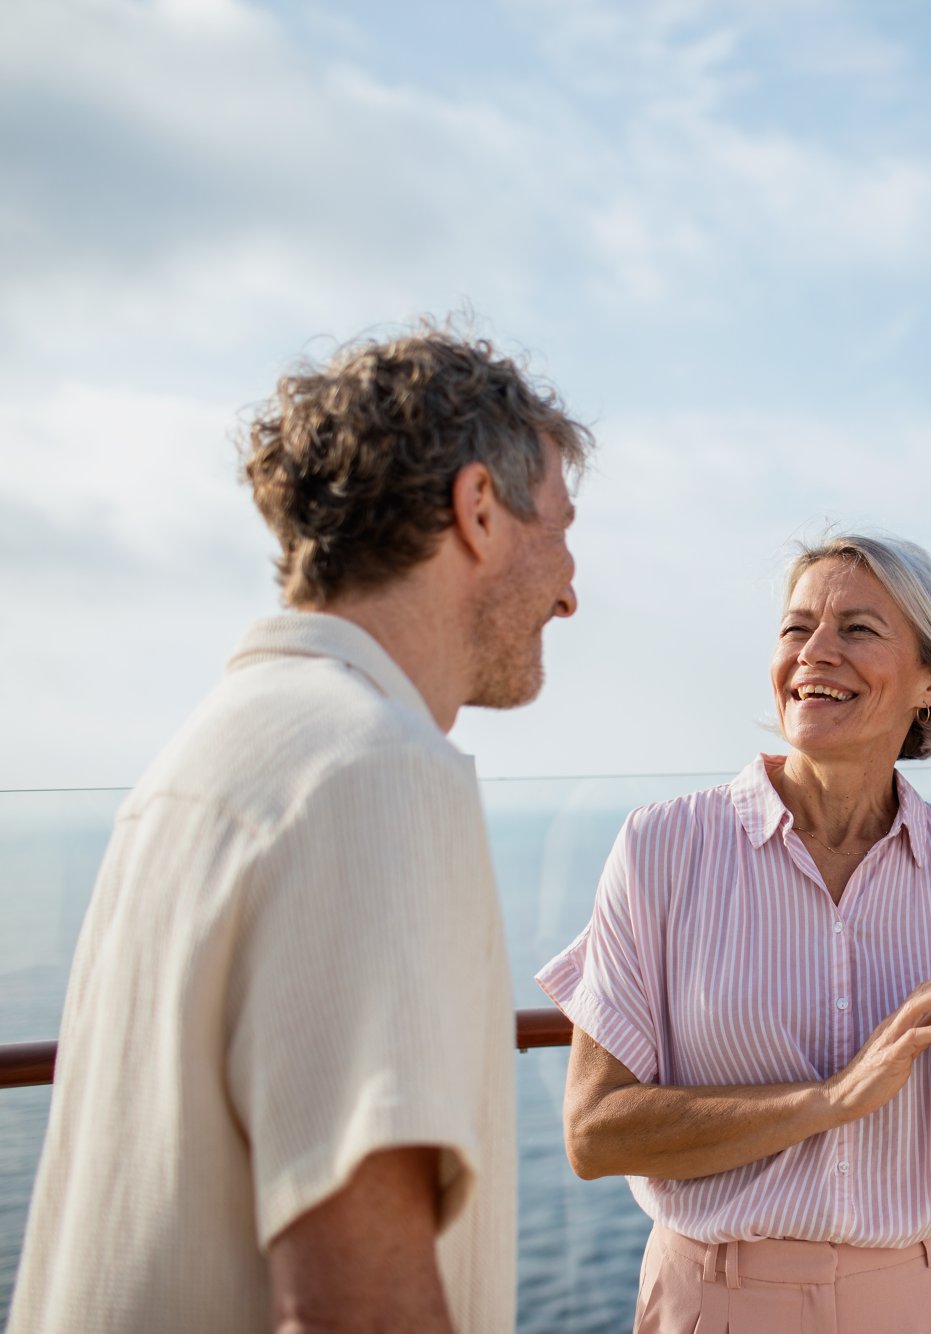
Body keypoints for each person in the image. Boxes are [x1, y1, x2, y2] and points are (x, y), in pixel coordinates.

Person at [7, 326, 591, 1333]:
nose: (571, 590)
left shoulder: (209, 751)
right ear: (480, 510)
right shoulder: (374, 770)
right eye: (561, 528)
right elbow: (355, 1309)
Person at [538, 532, 931, 1334]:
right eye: (796, 629)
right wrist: (831, 1100)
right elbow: (594, 1133)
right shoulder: (662, 849)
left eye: (858, 629)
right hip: (719, 1304)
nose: (816, 652)